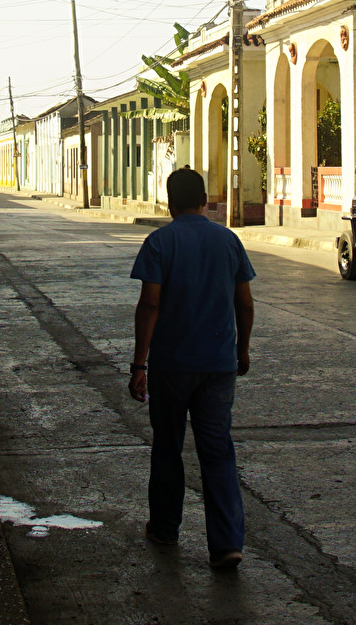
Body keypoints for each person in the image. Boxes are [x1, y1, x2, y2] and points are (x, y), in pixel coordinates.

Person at [128, 167, 255, 570]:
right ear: (204, 201)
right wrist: (244, 349)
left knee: (168, 446)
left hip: (170, 366)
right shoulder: (228, 240)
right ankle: (227, 545)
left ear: (170, 203)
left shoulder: (159, 242)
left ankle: (165, 526)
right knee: (217, 451)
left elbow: (150, 304)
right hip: (218, 365)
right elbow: (245, 303)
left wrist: (138, 363)